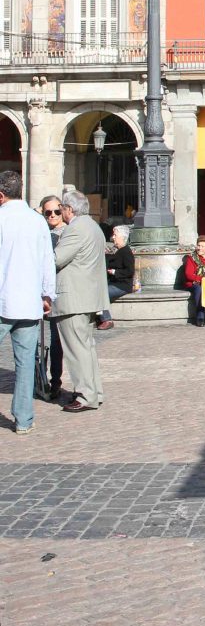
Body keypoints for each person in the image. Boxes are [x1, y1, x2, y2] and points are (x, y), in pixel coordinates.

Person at [0, 171, 55, 434]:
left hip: (3, 302)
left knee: (24, 362)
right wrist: (47, 295)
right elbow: (48, 262)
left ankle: (23, 418)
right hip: (29, 302)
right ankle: (23, 419)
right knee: (25, 364)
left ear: (1, 194)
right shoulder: (37, 221)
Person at [52, 190, 107, 413]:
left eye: (61, 208)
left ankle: (85, 395)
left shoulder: (75, 229)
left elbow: (57, 259)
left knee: (77, 349)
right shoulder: (93, 226)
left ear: (69, 209)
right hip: (88, 295)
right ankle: (94, 391)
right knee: (86, 347)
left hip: (74, 297)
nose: (60, 212)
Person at [38, 194, 66, 401]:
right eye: (48, 212)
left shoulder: (68, 233)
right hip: (39, 292)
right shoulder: (40, 232)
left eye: (57, 211)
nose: (53, 215)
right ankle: (40, 379)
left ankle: (56, 381)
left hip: (60, 293)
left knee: (58, 341)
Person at [105, 224, 135, 309]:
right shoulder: (116, 250)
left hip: (122, 286)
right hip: (113, 284)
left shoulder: (126, 252)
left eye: (115, 235)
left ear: (122, 237)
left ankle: (106, 319)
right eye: (113, 235)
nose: (113, 237)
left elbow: (130, 271)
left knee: (102, 294)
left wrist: (114, 272)